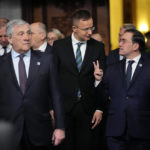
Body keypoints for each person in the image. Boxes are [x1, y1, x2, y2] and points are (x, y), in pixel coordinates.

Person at [0, 19, 65, 150]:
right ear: (10, 39)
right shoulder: (1, 63)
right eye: (21, 34)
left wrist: (60, 127)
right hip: (9, 131)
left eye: (29, 33)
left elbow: (56, 95)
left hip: (40, 130)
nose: (26, 37)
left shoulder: (47, 60)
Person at [52, 9, 106, 150]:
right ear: (74, 28)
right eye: (85, 29)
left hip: (88, 108)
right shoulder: (58, 46)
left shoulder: (98, 47)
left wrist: (100, 107)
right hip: (64, 107)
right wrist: (52, 107)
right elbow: (53, 78)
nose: (90, 32)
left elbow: (103, 81)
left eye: (91, 27)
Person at [94, 29, 150, 150]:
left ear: (135, 46)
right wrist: (98, 80)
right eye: (120, 41)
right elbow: (101, 97)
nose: (120, 44)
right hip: (115, 132)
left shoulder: (148, 67)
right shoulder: (112, 69)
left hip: (142, 130)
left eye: (124, 41)